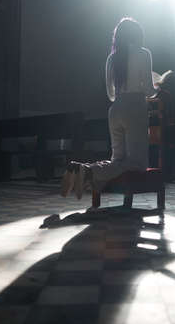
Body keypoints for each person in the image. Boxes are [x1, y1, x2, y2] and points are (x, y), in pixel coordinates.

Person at [61, 17, 159, 199]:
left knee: (118, 160)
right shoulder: (143, 54)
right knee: (137, 164)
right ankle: (88, 171)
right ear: (137, 35)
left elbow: (111, 95)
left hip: (115, 110)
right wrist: (157, 86)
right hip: (135, 107)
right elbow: (148, 91)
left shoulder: (112, 58)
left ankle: (83, 170)